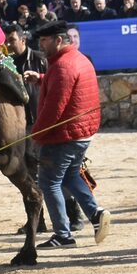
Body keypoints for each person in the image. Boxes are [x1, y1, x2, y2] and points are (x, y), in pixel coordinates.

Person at [30, 19, 111, 248]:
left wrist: (35, 135)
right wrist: (42, 80)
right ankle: (96, 214)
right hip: (81, 133)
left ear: (58, 40)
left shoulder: (62, 66)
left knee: (49, 182)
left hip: (64, 135)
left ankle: (63, 235)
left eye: (44, 41)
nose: (41, 46)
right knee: (70, 176)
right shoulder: (76, 59)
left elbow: (54, 109)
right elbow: (63, 88)